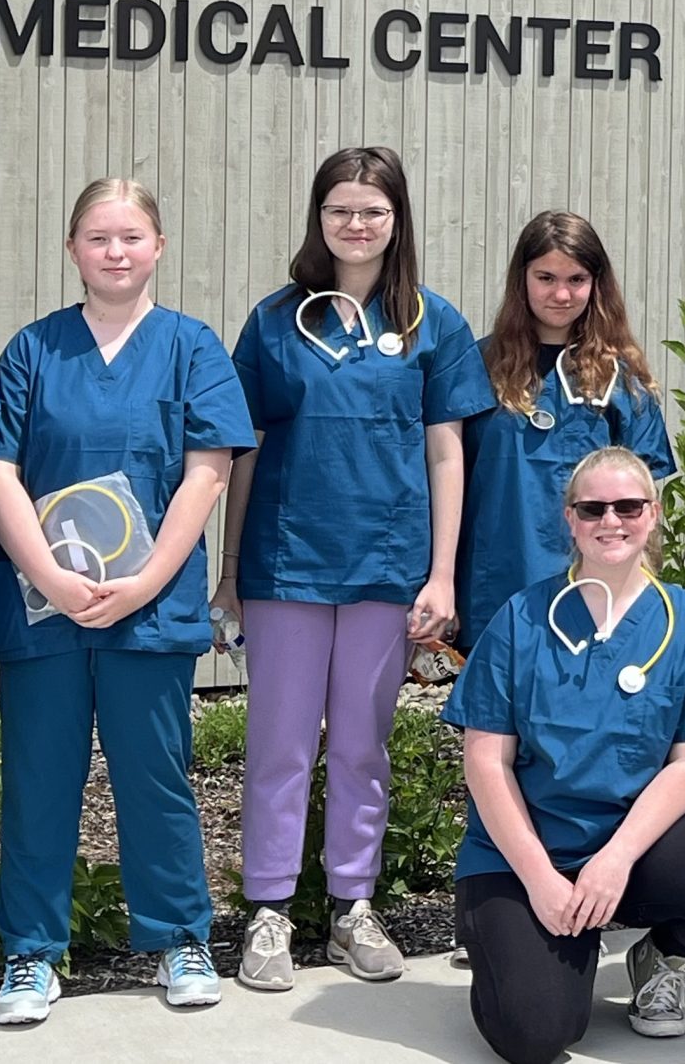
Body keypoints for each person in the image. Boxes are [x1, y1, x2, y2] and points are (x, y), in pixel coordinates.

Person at [215, 146, 492, 992]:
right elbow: (244, 449)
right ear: (318, 218)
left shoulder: (434, 323)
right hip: (286, 563)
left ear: (397, 220)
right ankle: (268, 910)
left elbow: (446, 454)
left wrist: (441, 574)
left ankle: (352, 907)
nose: (356, 224)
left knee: (364, 747)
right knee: (279, 743)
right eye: (340, 209)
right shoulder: (274, 321)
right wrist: (229, 569)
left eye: (373, 210)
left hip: (387, 565)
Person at [0, 178, 253, 1023]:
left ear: (159, 247)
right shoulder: (33, 350)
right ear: (72, 249)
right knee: (38, 779)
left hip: (151, 606)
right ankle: (31, 953)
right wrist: (50, 578)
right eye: (98, 237)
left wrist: (146, 580)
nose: (115, 251)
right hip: (44, 606)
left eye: (131, 236)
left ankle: (181, 937)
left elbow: (208, 474)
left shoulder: (191, 348)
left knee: (156, 778)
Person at [445, 448, 685, 1063]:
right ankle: (527, 947)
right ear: (570, 519)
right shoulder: (521, 618)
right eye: (592, 508)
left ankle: (661, 955)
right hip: (527, 853)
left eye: (628, 507)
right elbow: (486, 761)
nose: (611, 521)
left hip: (637, 845)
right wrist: (541, 879)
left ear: (653, 514)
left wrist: (615, 859)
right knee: (534, 1036)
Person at [457, 210, 676, 651]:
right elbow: (446, 482)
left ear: (597, 284)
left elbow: (642, 507)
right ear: (522, 280)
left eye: (576, 279)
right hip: (493, 585)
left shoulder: (622, 381)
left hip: (595, 585)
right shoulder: (477, 368)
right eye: (546, 278)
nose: (561, 294)